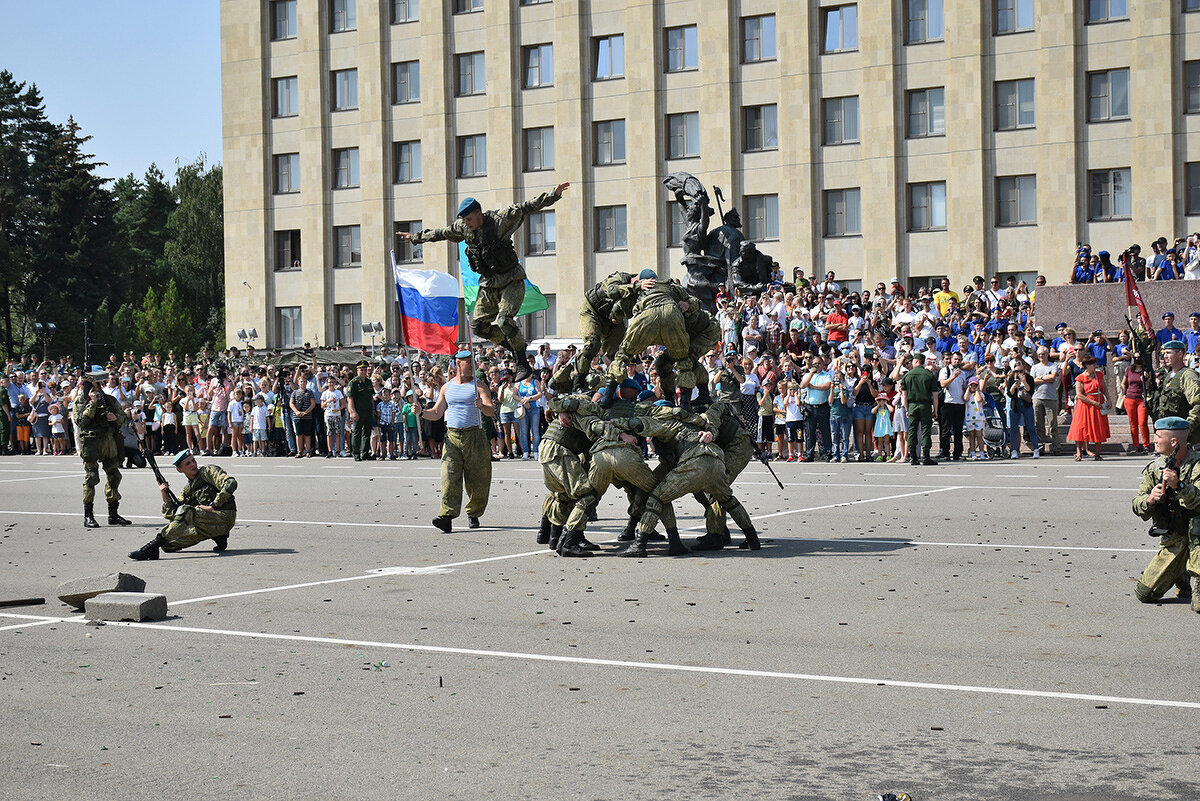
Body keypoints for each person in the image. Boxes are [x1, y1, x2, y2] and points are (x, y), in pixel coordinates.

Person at [398, 184, 570, 379]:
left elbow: (526, 207)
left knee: (504, 320)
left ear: (479, 213)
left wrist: (553, 196)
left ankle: (522, 361)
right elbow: (441, 233)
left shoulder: (500, 220)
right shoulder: (463, 227)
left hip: (511, 280)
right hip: (489, 284)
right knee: (478, 326)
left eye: (469, 219)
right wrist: (415, 237)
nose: (467, 223)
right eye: (464, 220)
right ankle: (511, 347)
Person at [421, 350, 496, 532]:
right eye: (467, 362)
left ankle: (474, 512)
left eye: (472, 361)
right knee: (449, 476)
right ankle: (446, 516)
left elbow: (491, 411)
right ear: (457, 364)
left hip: (475, 436)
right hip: (452, 436)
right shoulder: (447, 388)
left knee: (477, 479)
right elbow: (437, 413)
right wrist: (421, 413)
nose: (472, 365)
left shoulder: (479, 386)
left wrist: (482, 406)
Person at [1131, 417, 1200, 609]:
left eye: (1158, 436)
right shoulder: (1155, 469)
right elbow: (1137, 504)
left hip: (1197, 538)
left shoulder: (1197, 465)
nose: (1154, 440)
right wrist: (1149, 500)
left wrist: (1179, 486)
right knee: (1144, 594)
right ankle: (1181, 572)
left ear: (1174, 442)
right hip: (1174, 538)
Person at [128, 449, 238, 560]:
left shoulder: (208, 472)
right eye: (188, 463)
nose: (193, 464)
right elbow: (174, 514)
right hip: (208, 524)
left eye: (193, 461)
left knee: (186, 511)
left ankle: (151, 547)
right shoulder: (188, 489)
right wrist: (164, 493)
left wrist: (213, 505)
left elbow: (230, 483)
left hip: (224, 517)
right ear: (180, 470)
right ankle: (219, 536)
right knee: (168, 545)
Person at [73, 379, 131, 528]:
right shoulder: (80, 400)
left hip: (108, 440)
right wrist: (92, 403)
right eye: (87, 384)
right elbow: (81, 421)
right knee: (92, 478)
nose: (92, 387)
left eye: (94, 384)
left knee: (114, 476)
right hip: (91, 442)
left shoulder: (109, 400)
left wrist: (116, 418)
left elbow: (123, 417)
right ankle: (88, 516)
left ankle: (113, 515)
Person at [1154, 341, 1200, 442]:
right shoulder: (1167, 377)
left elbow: (1198, 404)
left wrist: (1187, 426)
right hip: (1169, 436)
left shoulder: (1188, 375)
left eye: (1168, 353)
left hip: (1186, 439)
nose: (1165, 356)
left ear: (1180, 354)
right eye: (1164, 353)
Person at [899, 352, 940, 466]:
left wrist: (907, 409)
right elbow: (935, 395)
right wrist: (935, 410)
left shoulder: (907, 375)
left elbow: (904, 396)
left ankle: (913, 457)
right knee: (926, 430)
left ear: (916, 361)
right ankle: (926, 456)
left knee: (912, 430)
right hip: (925, 405)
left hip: (912, 405)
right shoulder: (929, 375)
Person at [1068, 356, 1110, 460]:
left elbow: (1104, 389)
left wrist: (1108, 399)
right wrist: (1093, 402)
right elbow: (1079, 395)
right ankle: (1079, 453)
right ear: (1086, 365)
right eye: (1092, 364)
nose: (1094, 366)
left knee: (1098, 427)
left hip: (1098, 403)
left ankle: (1098, 453)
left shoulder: (1099, 375)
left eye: (1095, 363)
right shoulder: (1080, 378)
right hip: (1085, 405)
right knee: (1081, 428)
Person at [346, 360, 376, 460]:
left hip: (367, 411)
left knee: (367, 433)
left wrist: (373, 409)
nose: (363, 372)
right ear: (357, 370)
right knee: (357, 433)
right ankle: (356, 453)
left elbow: (371, 397)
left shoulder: (368, 382)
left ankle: (365, 453)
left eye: (365, 369)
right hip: (358, 411)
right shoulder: (353, 383)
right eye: (361, 370)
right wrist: (353, 412)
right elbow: (350, 399)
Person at [1121, 354, 1151, 455]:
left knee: (1142, 423)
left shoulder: (1146, 370)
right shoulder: (1129, 369)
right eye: (1136, 357)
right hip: (1130, 398)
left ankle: (1146, 445)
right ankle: (1136, 445)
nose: (1138, 359)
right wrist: (1124, 392)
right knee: (1133, 424)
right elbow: (1123, 382)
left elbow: (1148, 386)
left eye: (1139, 357)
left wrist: (1146, 379)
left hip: (1141, 398)